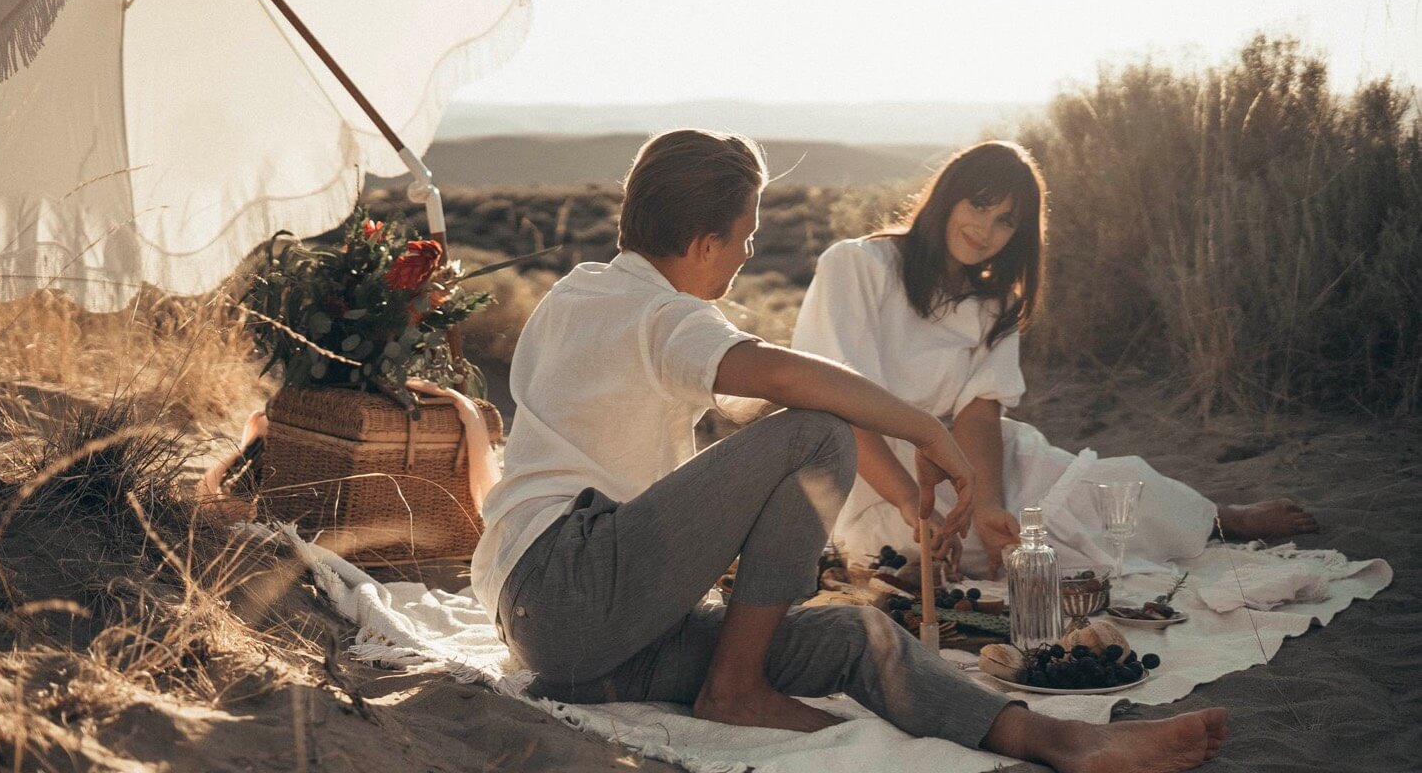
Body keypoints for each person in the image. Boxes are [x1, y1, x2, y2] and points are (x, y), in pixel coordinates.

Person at [473, 129, 1228, 770]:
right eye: (745, 240)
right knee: (819, 432)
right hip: (571, 584)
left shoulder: (578, 292)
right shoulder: (659, 317)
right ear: (705, 243)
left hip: (585, 642)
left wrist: (899, 486)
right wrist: (924, 429)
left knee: (849, 633)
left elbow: (745, 405)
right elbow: (788, 383)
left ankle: (1056, 741)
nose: (745, 257)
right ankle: (735, 688)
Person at [791, 140, 1317, 580]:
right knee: (930, 551)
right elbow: (839, 402)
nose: (985, 229)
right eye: (978, 205)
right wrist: (912, 502)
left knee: (1091, 498)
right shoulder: (858, 265)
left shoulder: (994, 301)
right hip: (868, 468)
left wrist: (987, 502)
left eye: (1005, 222)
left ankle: (1216, 519)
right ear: (948, 197)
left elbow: (978, 413)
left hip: (969, 464)